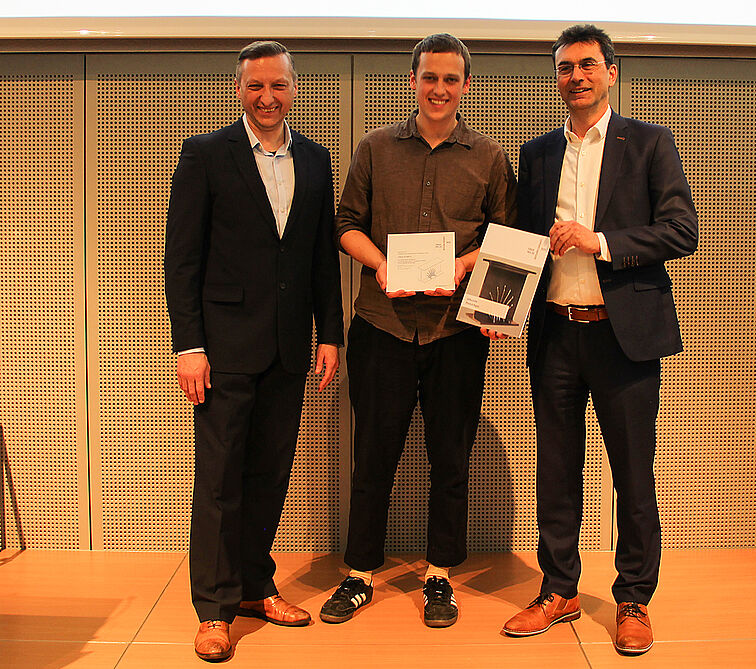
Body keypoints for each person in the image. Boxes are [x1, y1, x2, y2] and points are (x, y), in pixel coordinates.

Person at [495, 25, 697, 655]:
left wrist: (600, 241)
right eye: (564, 68)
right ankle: (559, 590)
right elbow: (522, 243)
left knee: (633, 474)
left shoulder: (650, 144)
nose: (575, 76)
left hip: (623, 338)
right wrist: (497, 306)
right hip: (556, 335)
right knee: (556, 471)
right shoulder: (536, 153)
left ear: (612, 72)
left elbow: (680, 231)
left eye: (587, 65)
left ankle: (634, 598)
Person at [319, 33, 516, 629]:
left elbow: (506, 242)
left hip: (454, 333)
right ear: (412, 80)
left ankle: (439, 576)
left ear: (466, 85)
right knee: (373, 457)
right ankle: (359, 575)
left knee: (450, 459)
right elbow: (345, 225)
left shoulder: (489, 157)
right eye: (430, 77)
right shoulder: (376, 148)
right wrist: (380, 265)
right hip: (383, 326)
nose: (439, 89)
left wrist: (465, 267)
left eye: (451, 79)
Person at [164, 40, 344, 662]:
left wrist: (331, 333)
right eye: (254, 87)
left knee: (270, 474)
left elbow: (322, 257)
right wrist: (188, 344)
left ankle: (252, 585)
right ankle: (214, 608)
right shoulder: (207, 154)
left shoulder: (317, 161)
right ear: (238, 90)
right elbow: (182, 258)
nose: (267, 98)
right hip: (222, 348)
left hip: (290, 347)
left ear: (294, 89)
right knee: (218, 481)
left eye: (278, 86)